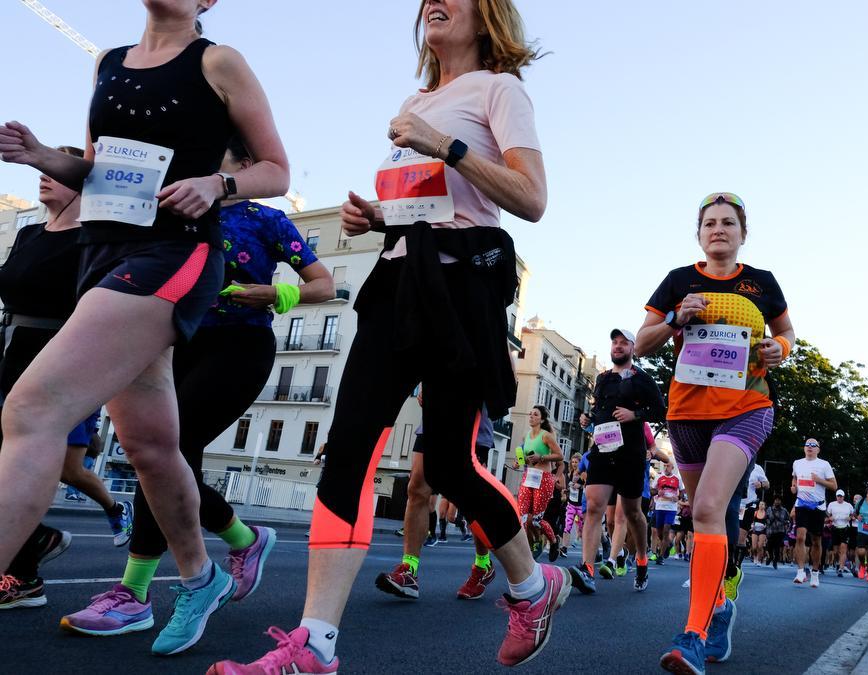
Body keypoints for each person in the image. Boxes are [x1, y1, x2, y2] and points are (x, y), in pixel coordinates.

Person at [210, 1, 562, 669]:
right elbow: (425, 204)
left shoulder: (500, 89)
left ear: (487, 16)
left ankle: (531, 584)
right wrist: (376, 217)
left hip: (463, 290)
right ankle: (315, 645)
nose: (436, 0)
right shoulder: (416, 97)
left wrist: (444, 144)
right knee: (346, 449)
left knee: (454, 465)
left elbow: (531, 198)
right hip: (399, 280)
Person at [0, 0, 289, 655]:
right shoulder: (107, 62)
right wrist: (44, 154)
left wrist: (218, 184)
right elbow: (97, 172)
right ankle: (202, 574)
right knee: (152, 446)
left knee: (33, 408)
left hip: (175, 254)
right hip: (102, 253)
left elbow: (276, 168)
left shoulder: (217, 61)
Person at [62, 137, 332, 637]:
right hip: (171, 341)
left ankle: (135, 592)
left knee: (170, 451)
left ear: (245, 167)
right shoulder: (174, 208)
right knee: (162, 457)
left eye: (217, 158)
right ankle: (242, 538)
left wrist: (274, 292)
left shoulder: (266, 220)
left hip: (239, 345)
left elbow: (324, 283)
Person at [636, 191, 793, 672]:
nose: (719, 229)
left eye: (728, 222)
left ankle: (694, 635)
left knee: (707, 507)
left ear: (743, 234)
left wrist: (778, 350)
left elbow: (788, 334)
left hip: (746, 405)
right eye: (710, 223)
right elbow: (642, 341)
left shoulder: (762, 283)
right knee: (706, 510)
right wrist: (675, 317)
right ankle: (721, 605)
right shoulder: (679, 281)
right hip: (686, 412)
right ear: (699, 233)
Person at [0, 146, 133, 611]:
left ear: (81, 182)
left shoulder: (95, 241)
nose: (42, 176)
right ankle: (32, 548)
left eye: (53, 170)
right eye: (40, 168)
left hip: (60, 359)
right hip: (12, 351)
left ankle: (25, 571)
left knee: (39, 465)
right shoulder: (29, 232)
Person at [375, 394, 501, 601]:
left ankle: (483, 564)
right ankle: (409, 570)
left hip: (470, 425)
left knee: (471, 501)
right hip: (433, 421)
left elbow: (506, 375)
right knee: (416, 490)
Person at [568, 330, 665, 595]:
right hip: (602, 448)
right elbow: (599, 408)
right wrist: (588, 419)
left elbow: (660, 410)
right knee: (594, 507)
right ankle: (587, 569)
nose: (618, 346)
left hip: (631, 453)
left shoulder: (642, 379)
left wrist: (635, 414)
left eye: (624, 343)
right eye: (615, 342)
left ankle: (642, 559)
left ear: (633, 348)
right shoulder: (602, 378)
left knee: (633, 513)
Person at [514, 406, 564, 557]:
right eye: (530, 414)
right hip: (528, 477)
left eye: (535, 414)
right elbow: (522, 458)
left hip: (543, 479)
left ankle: (554, 542)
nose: (531, 416)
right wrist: (518, 462)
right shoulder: (526, 436)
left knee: (536, 520)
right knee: (522, 518)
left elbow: (560, 456)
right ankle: (531, 546)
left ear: (541, 419)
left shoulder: (546, 436)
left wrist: (540, 457)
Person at [789, 438, 835, 587]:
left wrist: (819, 480)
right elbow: (795, 477)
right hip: (801, 504)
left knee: (816, 541)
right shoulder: (797, 463)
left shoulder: (824, 464)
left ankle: (815, 573)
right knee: (800, 537)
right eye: (807, 445)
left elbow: (834, 486)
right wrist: (794, 486)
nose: (809, 447)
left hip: (818, 507)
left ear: (818, 449)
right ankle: (800, 571)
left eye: (813, 445)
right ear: (804, 448)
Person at [652, 460, 683, 565]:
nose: (666, 467)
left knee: (666, 531)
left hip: (671, 509)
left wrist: (678, 497)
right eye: (664, 465)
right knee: (660, 533)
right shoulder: (659, 477)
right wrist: (657, 492)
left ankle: (660, 556)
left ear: (672, 467)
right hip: (660, 507)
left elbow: (682, 492)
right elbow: (652, 490)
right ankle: (668, 545)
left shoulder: (677, 478)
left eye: (668, 466)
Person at [561, 454, 585, 557]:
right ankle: (564, 548)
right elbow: (570, 487)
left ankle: (592, 552)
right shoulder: (570, 473)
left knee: (583, 528)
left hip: (581, 505)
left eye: (576, 462)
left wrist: (579, 485)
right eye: (573, 462)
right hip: (571, 504)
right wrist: (566, 491)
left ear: (580, 463)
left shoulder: (583, 474)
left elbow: (584, 485)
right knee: (567, 526)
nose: (574, 464)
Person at [827, 490, 854, 576]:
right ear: (836, 496)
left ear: (844, 496)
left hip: (845, 528)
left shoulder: (848, 505)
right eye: (838, 496)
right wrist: (830, 517)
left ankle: (841, 569)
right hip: (835, 528)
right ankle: (838, 563)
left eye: (841, 496)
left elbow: (853, 514)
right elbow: (827, 513)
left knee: (843, 549)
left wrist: (850, 518)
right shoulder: (831, 504)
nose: (839, 498)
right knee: (835, 551)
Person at [764, 497, 790, 570]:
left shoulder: (784, 510)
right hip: (771, 531)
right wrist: (768, 521)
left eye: (779, 500)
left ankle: (775, 561)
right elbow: (765, 518)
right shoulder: (769, 509)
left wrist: (786, 524)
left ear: (781, 501)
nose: (777, 501)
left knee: (777, 547)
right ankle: (770, 557)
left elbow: (788, 520)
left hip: (780, 531)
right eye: (776, 500)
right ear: (774, 501)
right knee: (769, 546)